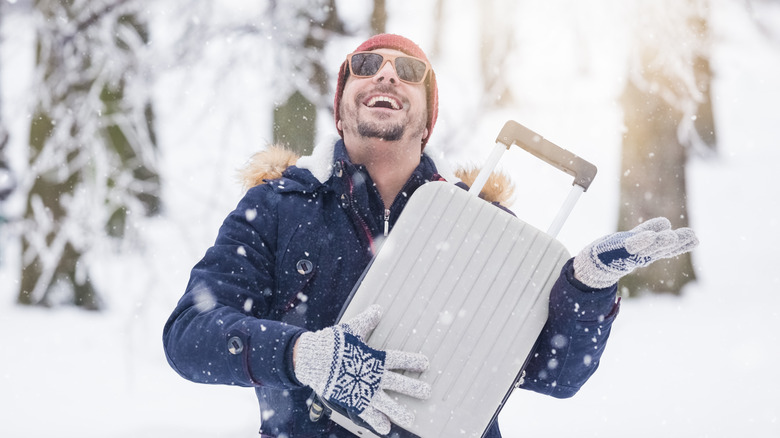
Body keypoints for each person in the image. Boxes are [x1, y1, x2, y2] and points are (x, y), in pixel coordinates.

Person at [163, 34, 698, 437]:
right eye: (367, 66)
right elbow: (190, 335)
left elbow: (553, 374)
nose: (387, 75)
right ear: (342, 109)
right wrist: (302, 355)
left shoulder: (483, 229)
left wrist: (586, 290)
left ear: (426, 122)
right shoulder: (277, 208)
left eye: (409, 70)